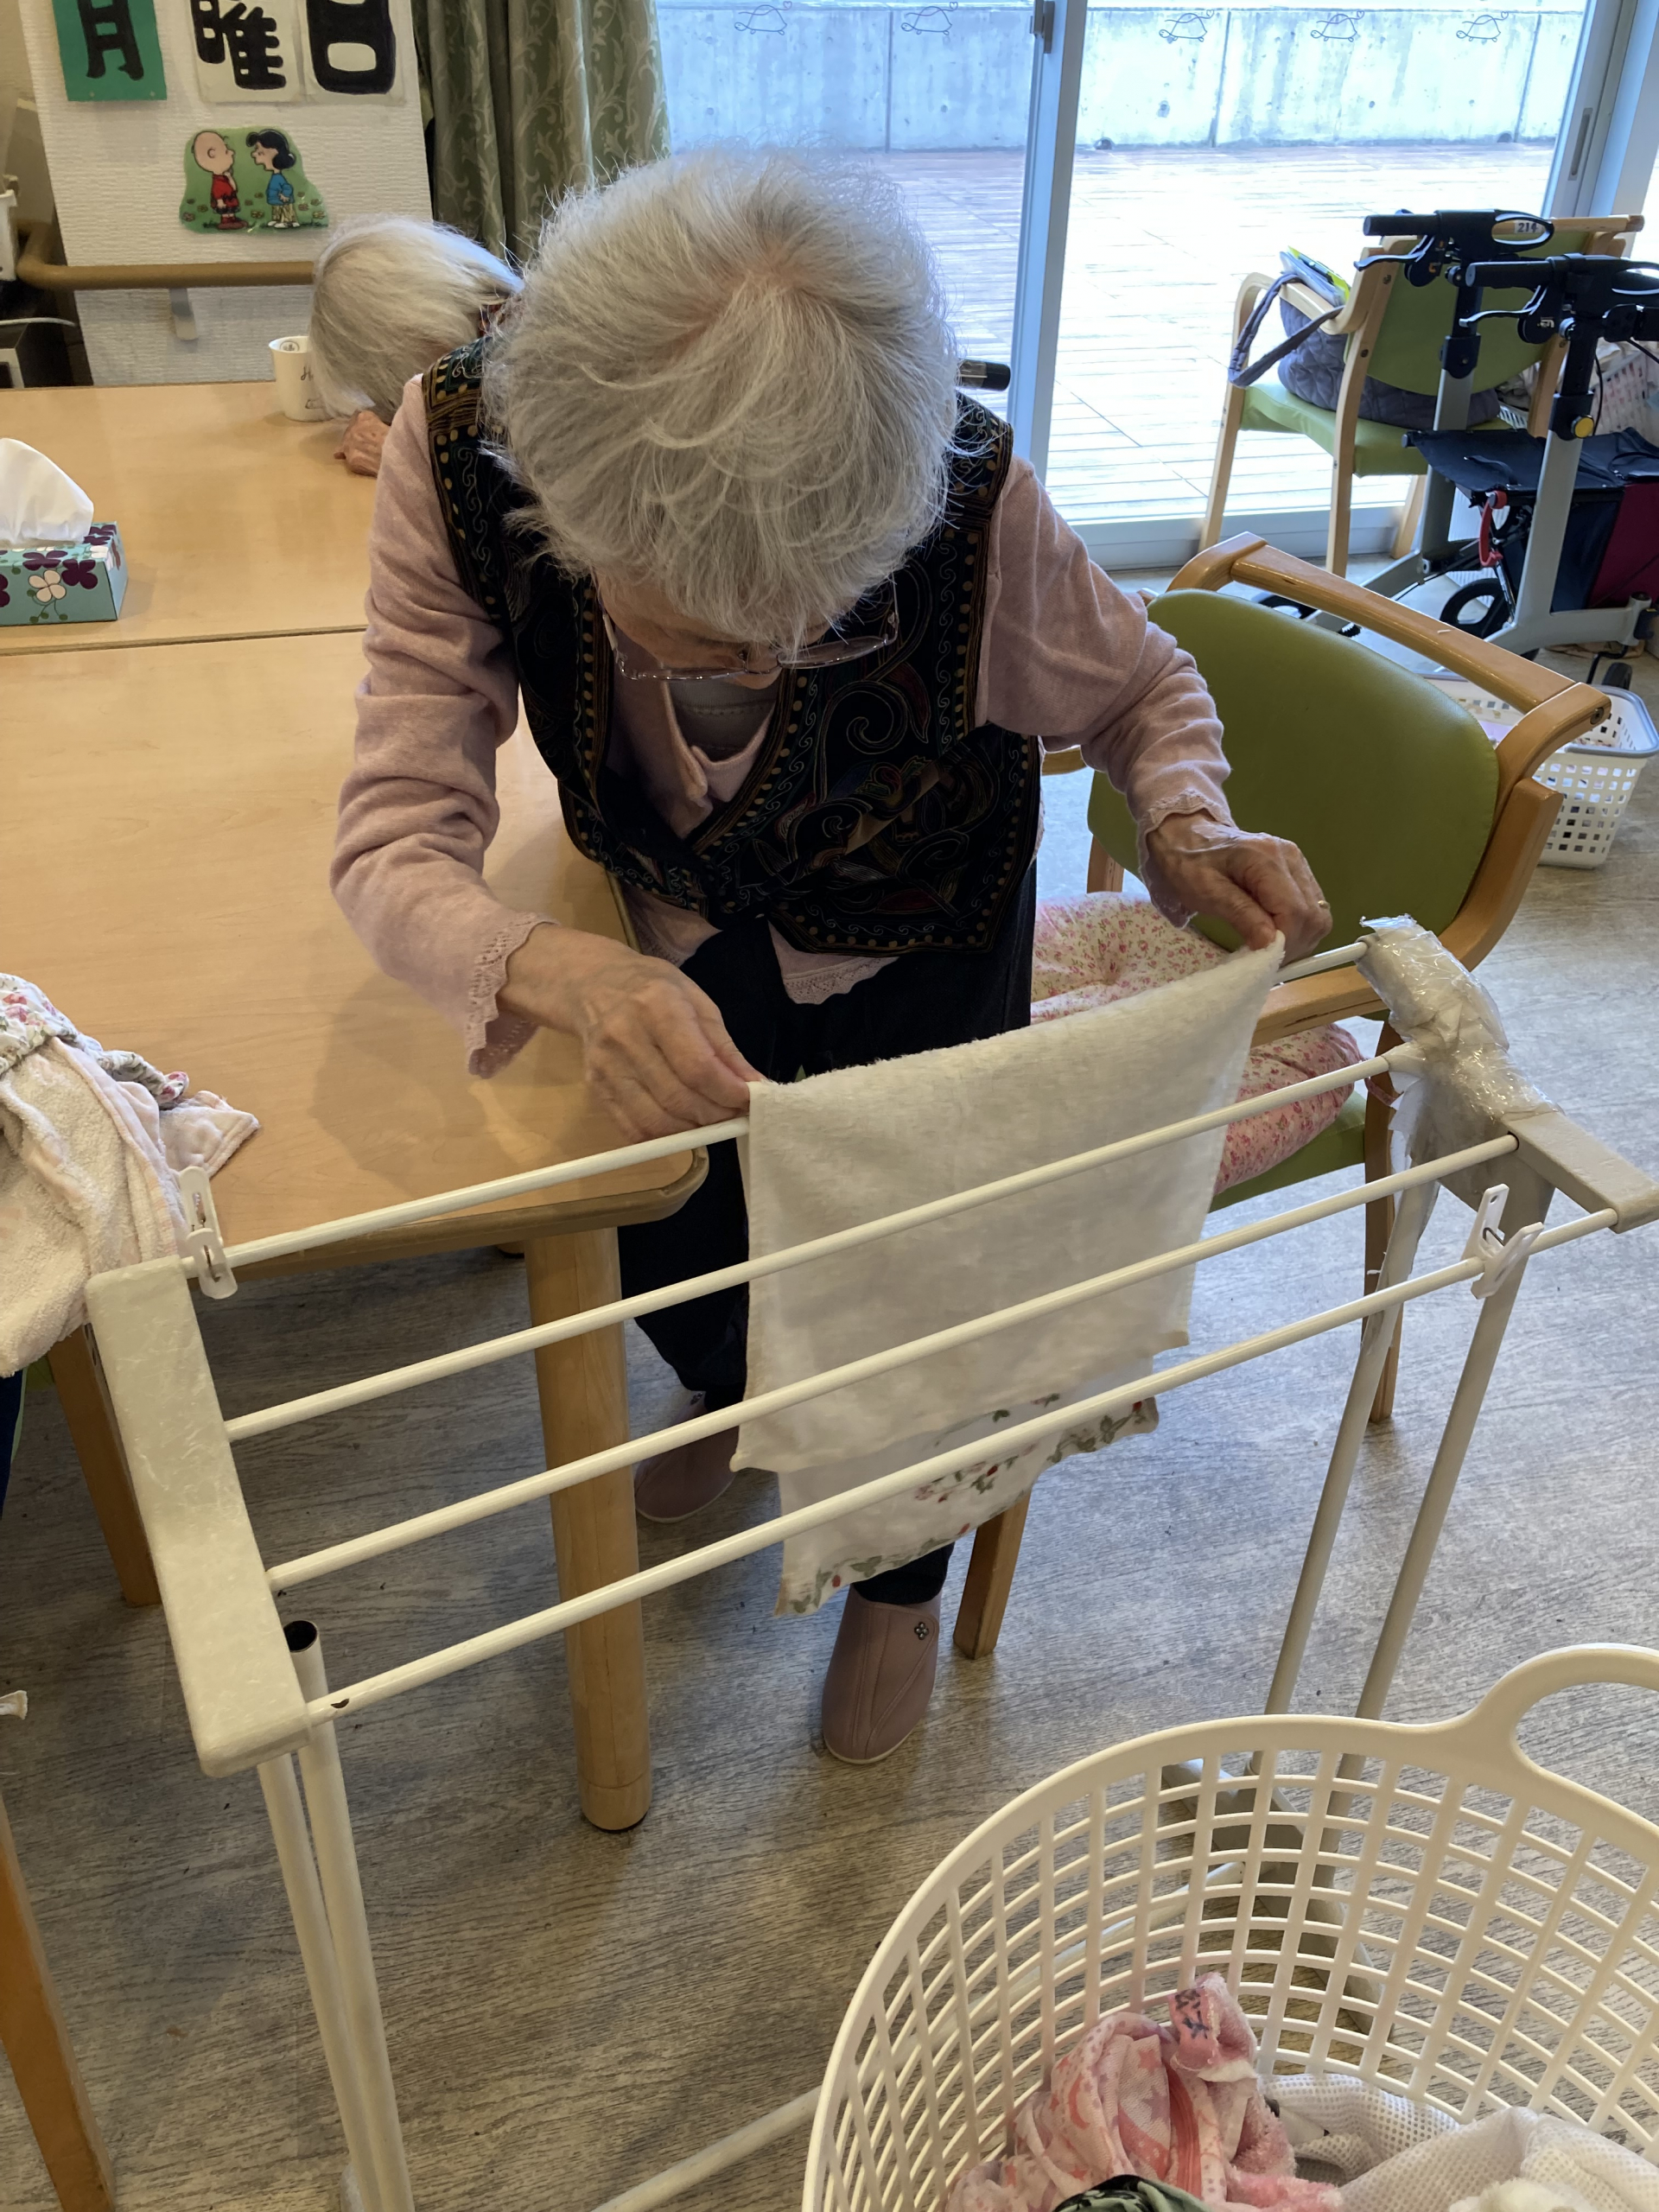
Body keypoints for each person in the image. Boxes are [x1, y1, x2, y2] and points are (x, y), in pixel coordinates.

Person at [333, 150, 1332, 1766]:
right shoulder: (458, 450)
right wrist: (568, 974)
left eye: (827, 620)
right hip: (664, 933)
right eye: (708, 639)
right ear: (564, 519)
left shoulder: (967, 493)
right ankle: (740, 1400)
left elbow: (1143, 690)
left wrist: (1181, 813)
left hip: (928, 925)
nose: (773, 662)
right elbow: (394, 839)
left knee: (926, 1282)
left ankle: (898, 1581)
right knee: (676, 1223)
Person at [306, 215, 519, 477]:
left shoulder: (522, 356)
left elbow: (527, 486)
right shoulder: (501, 320)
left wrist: (403, 459)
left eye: (382, 379)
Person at [247, 129, 298, 228]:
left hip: (282, 200)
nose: (253, 154)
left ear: (274, 153)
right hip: (276, 200)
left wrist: (285, 195)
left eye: (260, 152)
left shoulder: (279, 178)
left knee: (285, 209)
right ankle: (277, 219)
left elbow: (287, 187)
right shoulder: (275, 177)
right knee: (276, 209)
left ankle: (286, 221)